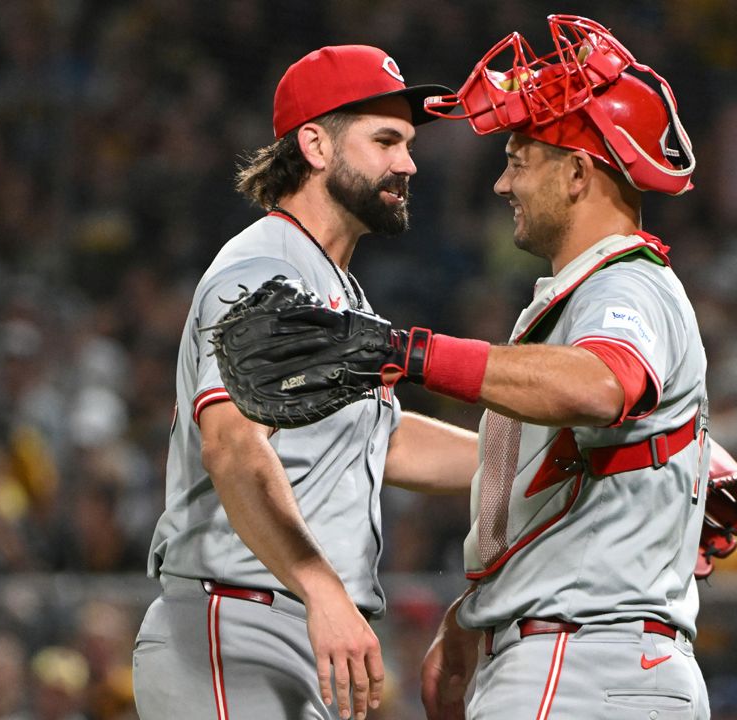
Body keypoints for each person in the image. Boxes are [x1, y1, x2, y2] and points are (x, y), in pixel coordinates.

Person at [131, 45, 477, 720]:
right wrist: (323, 591)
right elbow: (232, 446)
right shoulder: (266, 268)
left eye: (407, 144)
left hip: (291, 627)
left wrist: (540, 458)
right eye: (384, 141)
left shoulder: (338, 289)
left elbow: (386, 442)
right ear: (315, 144)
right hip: (237, 621)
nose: (408, 164)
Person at [411, 16, 718, 719]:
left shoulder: (623, 283)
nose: (502, 185)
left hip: (578, 664)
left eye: (519, 160)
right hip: (608, 664)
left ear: (578, 173)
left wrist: (416, 354)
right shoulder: (603, 291)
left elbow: (601, 383)